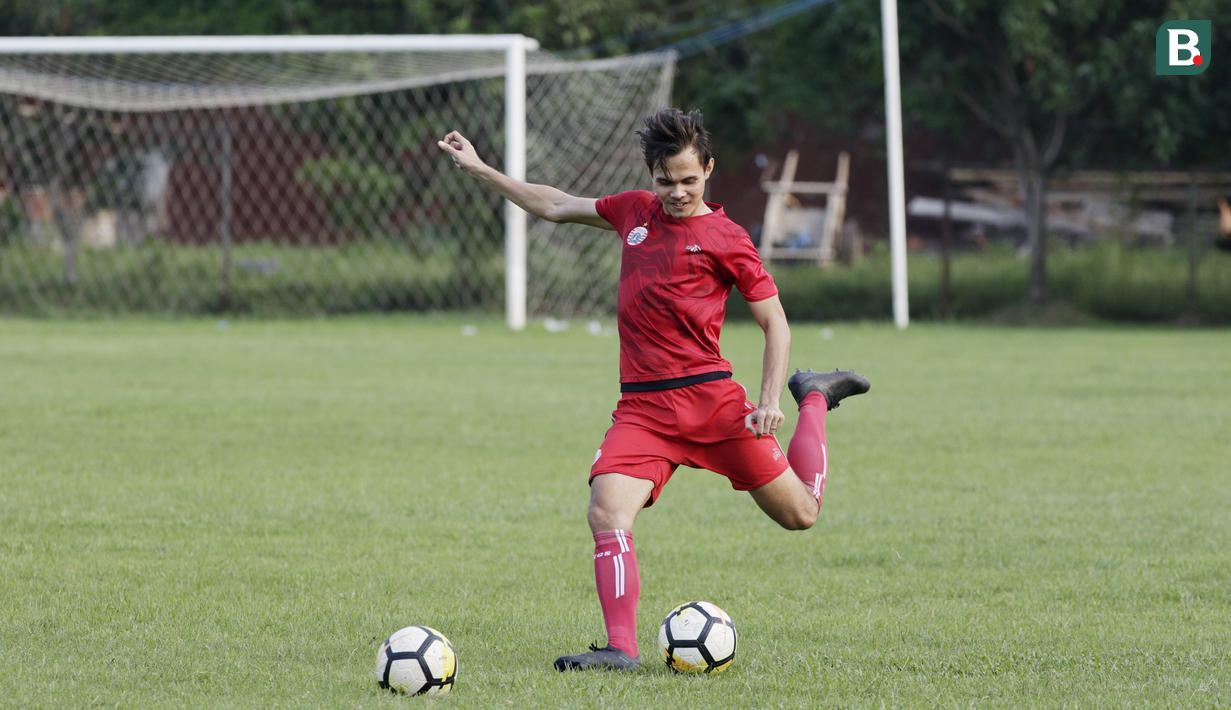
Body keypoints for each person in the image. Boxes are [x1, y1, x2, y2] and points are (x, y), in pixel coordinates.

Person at [438, 108, 870, 672]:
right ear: (651, 174)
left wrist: (770, 401)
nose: (677, 192)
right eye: (666, 181)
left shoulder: (727, 238)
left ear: (708, 170)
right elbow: (553, 203)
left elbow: (775, 324)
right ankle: (621, 649)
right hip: (642, 410)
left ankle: (813, 395)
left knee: (802, 515)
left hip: (713, 406)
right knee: (606, 512)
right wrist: (480, 168)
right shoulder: (633, 213)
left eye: (690, 180)